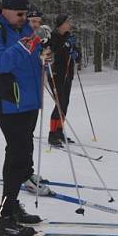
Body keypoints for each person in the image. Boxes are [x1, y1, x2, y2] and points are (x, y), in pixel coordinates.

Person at [0, 0, 51, 236]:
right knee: (16, 158)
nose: (24, 18)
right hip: (10, 103)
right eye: (20, 13)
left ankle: (14, 207)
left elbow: (28, 57)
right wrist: (30, 43)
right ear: (6, 10)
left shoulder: (23, 29)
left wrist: (44, 57)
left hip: (29, 102)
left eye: (26, 13)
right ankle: (4, 218)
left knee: (24, 158)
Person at [47, 13, 82, 147]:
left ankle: (59, 131)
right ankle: (52, 133)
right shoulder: (53, 36)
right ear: (61, 24)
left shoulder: (69, 36)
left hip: (68, 75)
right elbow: (54, 52)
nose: (70, 24)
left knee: (65, 103)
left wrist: (76, 54)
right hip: (56, 74)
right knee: (59, 103)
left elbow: (78, 57)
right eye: (67, 22)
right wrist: (66, 46)